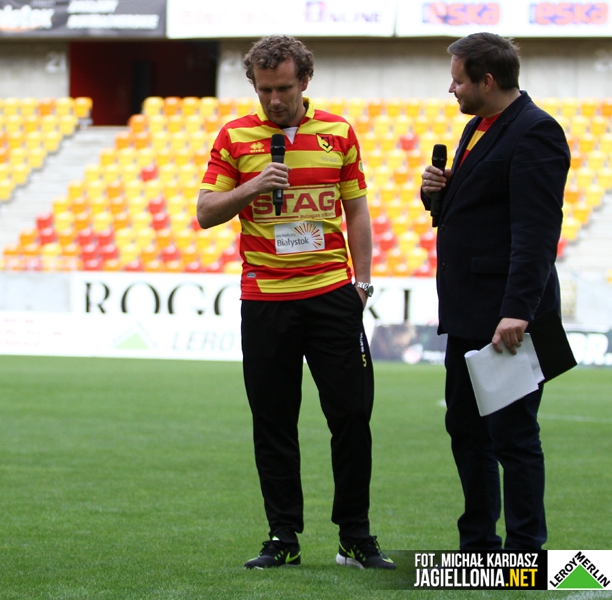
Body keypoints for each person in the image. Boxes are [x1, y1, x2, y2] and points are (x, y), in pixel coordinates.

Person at [197, 35, 394, 570]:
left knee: (351, 417)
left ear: (305, 81)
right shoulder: (235, 136)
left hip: (332, 295)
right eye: (264, 90)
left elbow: (357, 211)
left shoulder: (338, 132)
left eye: (284, 88)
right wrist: (253, 187)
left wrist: (363, 284)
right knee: (274, 421)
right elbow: (206, 212)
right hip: (266, 300)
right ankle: (282, 537)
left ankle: (355, 537)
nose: (275, 100)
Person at [420, 33, 570, 551]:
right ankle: (478, 545)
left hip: (507, 317)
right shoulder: (477, 127)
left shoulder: (536, 131)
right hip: (467, 312)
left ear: (487, 81)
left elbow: (536, 234)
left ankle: (526, 549)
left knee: (513, 435)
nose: (451, 89)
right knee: (465, 428)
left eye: (458, 80)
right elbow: (474, 213)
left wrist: (517, 311)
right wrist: (435, 194)